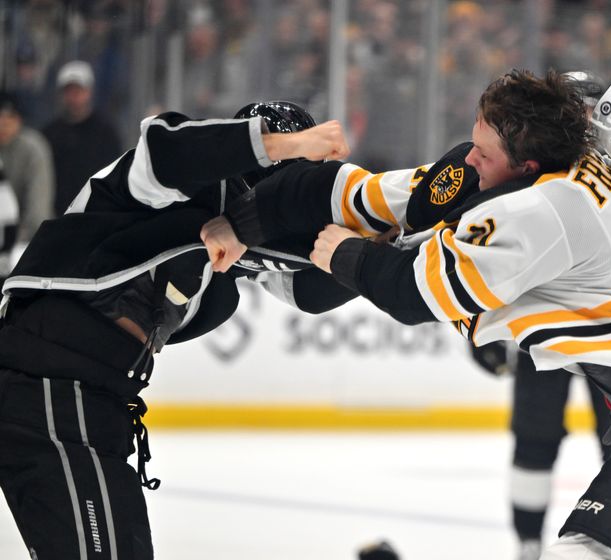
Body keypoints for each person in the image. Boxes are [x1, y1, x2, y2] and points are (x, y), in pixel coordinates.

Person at [204, 69, 611, 559]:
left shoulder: (551, 208)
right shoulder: (522, 179)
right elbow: (371, 195)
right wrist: (243, 225)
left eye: (482, 153)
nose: (466, 160)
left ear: (526, 163)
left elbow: (411, 293)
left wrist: (346, 255)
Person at [0, 101, 349, 560]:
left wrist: (376, 250)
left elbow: (308, 285)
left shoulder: (237, 239)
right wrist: (291, 144)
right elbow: (167, 150)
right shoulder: (170, 187)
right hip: (50, 390)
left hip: (87, 403)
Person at [469, 70, 611, 560]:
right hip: (544, 332)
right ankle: (529, 545)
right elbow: (486, 253)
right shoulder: (524, 172)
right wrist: (481, 329)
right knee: (535, 438)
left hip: (606, 335)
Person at [42, 60, 122, 215]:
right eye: (69, 91)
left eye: (79, 90)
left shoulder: (106, 132)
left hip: (95, 213)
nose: (74, 97)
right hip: (58, 216)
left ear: (89, 92)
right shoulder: (49, 133)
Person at [0, 91, 55, 244]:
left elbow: (38, 208)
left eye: (9, 117)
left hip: (28, 238)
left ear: (19, 120)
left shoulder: (33, 149)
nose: (3, 123)